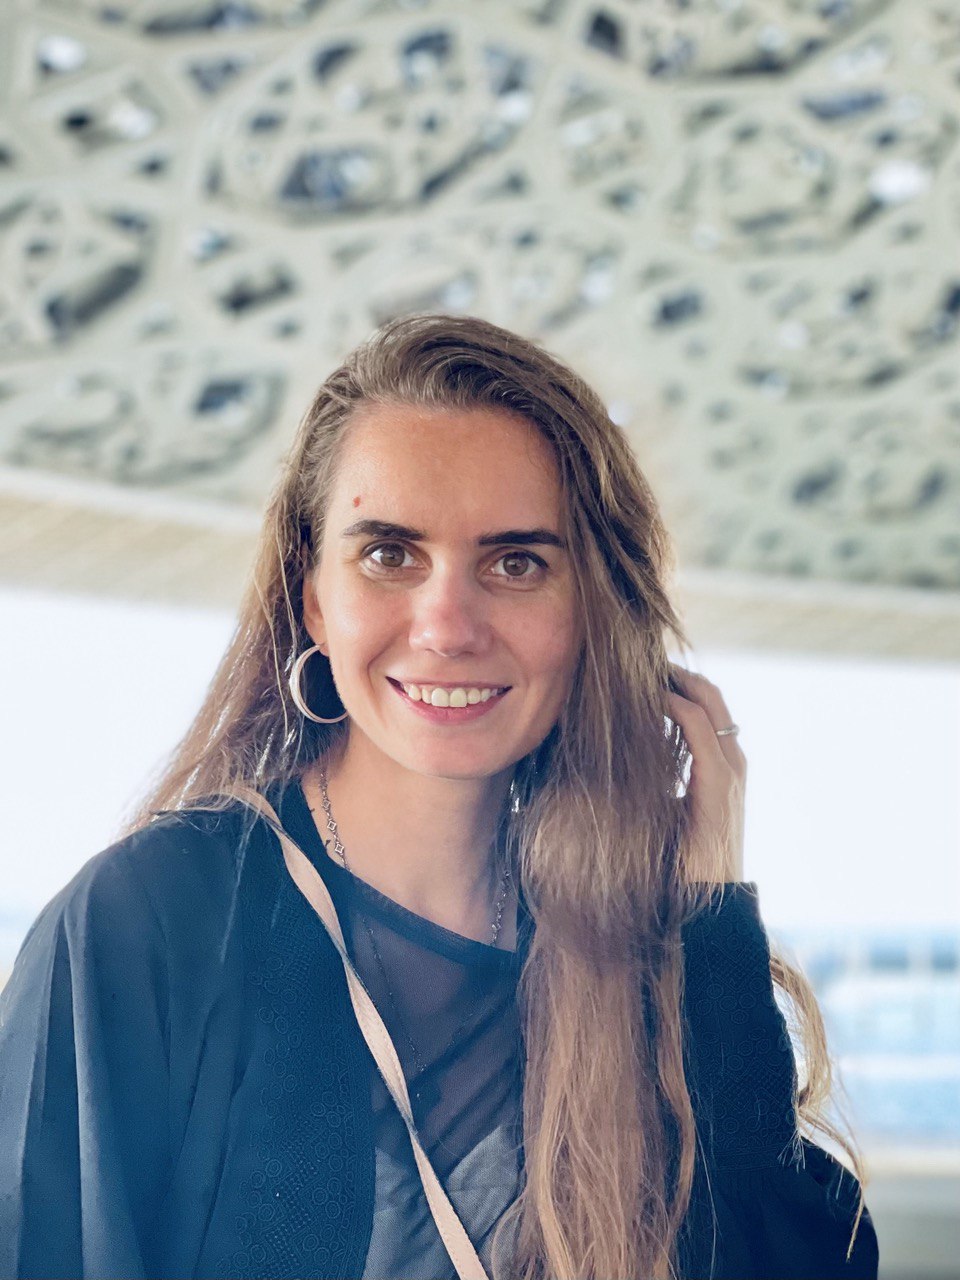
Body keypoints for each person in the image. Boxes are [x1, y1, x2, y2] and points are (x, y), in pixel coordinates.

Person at [0, 313, 878, 1280]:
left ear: (591, 610)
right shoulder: (149, 921)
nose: (448, 626)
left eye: (516, 563)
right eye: (390, 555)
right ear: (313, 599)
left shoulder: (634, 959)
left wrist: (708, 913)